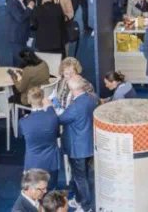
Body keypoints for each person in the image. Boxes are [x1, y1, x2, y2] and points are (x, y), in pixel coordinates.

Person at [57, 76, 95, 212]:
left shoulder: (75, 106)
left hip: (77, 148)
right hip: (89, 144)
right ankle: (79, 200)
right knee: (87, 176)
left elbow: (61, 119)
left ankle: (86, 206)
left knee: (80, 178)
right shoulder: (91, 98)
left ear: (73, 90)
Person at [19, 88, 62, 190]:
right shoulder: (52, 117)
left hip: (32, 162)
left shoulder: (23, 121)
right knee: (51, 190)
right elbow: (57, 134)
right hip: (52, 161)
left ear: (29, 101)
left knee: (34, 191)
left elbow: (21, 136)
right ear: (42, 99)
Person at [7, 0, 35, 65]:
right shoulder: (12, 3)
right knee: (19, 61)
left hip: (22, 35)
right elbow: (20, 18)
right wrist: (30, 7)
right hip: (16, 37)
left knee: (20, 59)